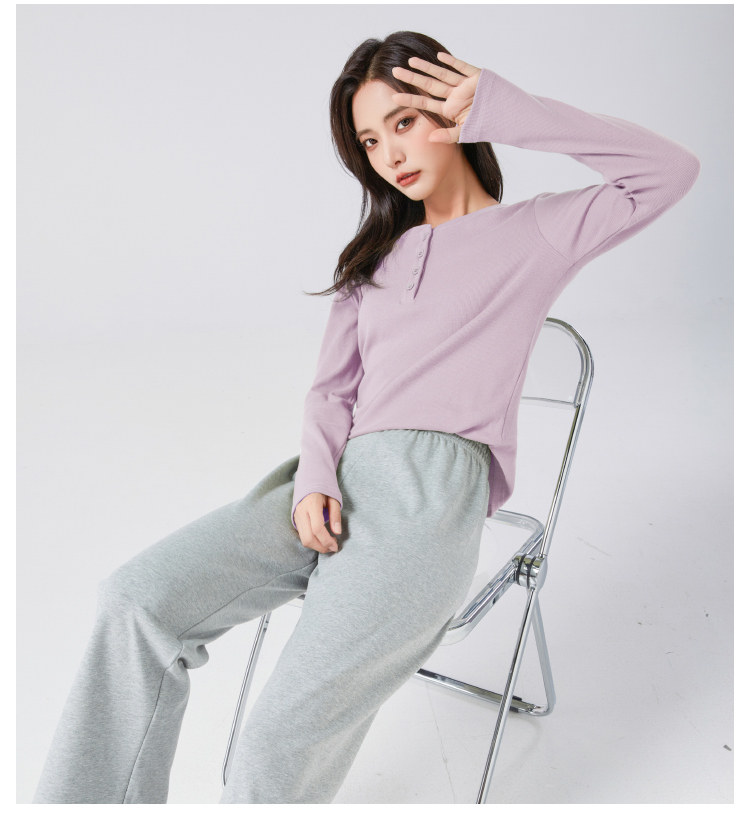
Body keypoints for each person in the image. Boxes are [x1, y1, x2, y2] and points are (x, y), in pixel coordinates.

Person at [32, 30, 700, 804]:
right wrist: (317, 477)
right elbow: (331, 392)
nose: (390, 154)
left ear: (455, 111)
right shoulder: (373, 261)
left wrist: (506, 109)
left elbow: (668, 170)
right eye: (371, 141)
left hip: (428, 503)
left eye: (405, 122)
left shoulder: (538, 232)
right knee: (136, 600)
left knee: (278, 739)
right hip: (329, 485)